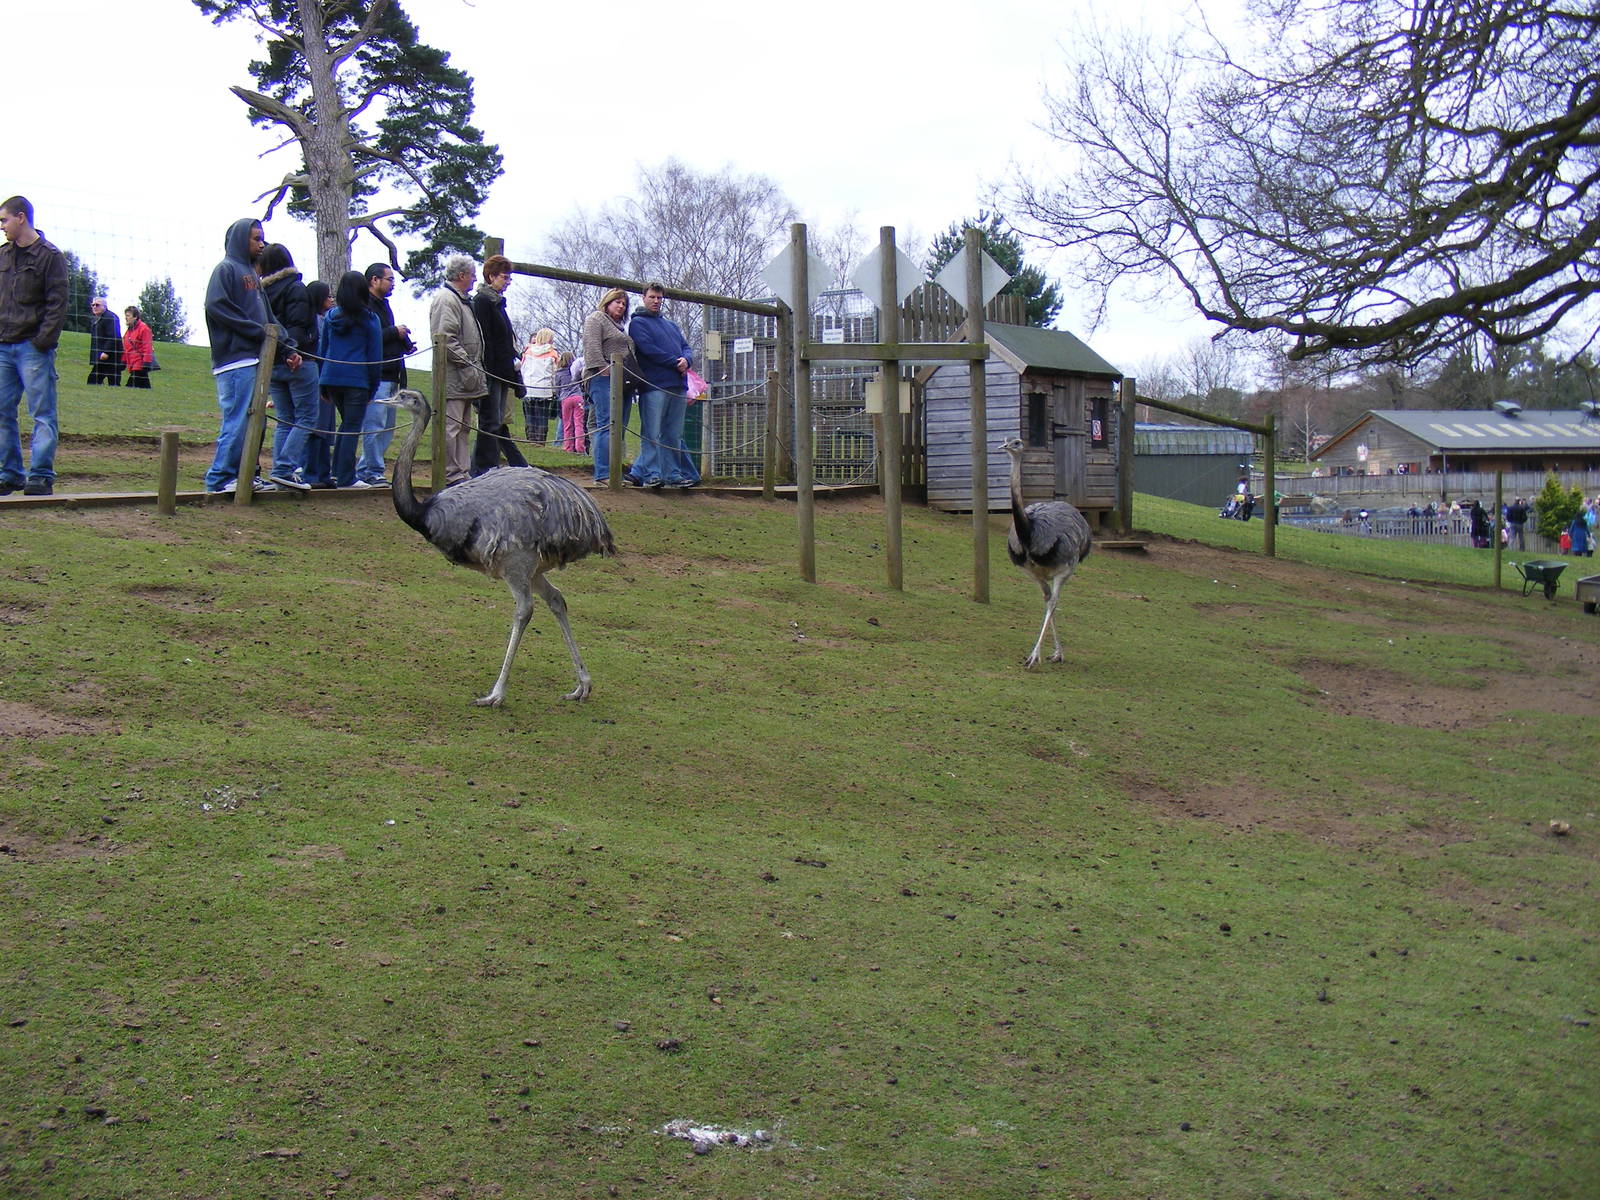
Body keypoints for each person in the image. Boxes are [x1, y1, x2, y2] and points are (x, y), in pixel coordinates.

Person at [203, 217, 294, 494]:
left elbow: (269, 318)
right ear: (241, 239)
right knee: (238, 419)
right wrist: (257, 332)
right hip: (234, 360)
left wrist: (287, 346)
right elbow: (216, 306)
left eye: (262, 238)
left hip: (257, 360)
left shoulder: (254, 275)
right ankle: (219, 479)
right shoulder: (226, 269)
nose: (261, 244)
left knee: (256, 420)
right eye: (256, 238)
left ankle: (244, 476)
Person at [0, 195, 69, 497]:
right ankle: (10, 474)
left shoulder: (50, 256)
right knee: (2, 411)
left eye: (4, 220)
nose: (2, 227)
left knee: (42, 413)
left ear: (20, 217)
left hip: (33, 347)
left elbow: (58, 302)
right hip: (3, 345)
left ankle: (41, 475)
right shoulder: (3, 255)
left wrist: (43, 341)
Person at [258, 244, 320, 489]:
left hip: (272, 361)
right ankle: (284, 468)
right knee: (306, 417)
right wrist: (293, 351)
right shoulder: (296, 289)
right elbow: (298, 324)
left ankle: (280, 469)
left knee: (285, 419)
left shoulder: (262, 294)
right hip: (298, 360)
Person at [627, 281, 699, 488]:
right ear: (644, 298)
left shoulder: (671, 325)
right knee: (652, 432)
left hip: (677, 386)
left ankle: (673, 474)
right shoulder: (638, 323)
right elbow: (648, 349)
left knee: (673, 434)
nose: (656, 301)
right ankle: (651, 474)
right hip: (654, 386)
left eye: (659, 298)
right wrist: (674, 362)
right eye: (652, 297)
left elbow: (686, 347)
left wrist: (687, 360)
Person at [317, 270, 382, 489]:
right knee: (352, 426)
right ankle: (345, 477)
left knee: (345, 424)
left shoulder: (330, 316)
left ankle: (338, 472)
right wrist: (373, 387)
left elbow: (322, 349)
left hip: (331, 378)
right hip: (357, 380)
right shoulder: (370, 319)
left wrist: (322, 382)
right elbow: (374, 355)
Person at [428, 254, 485, 486]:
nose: (474, 280)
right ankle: (450, 473)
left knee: (463, 427)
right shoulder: (446, 299)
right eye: (472, 275)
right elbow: (446, 338)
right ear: (461, 275)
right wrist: (466, 363)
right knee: (451, 427)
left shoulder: (461, 300)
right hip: (453, 376)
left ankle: (461, 472)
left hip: (466, 377)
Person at [355, 261, 414, 487]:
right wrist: (393, 332)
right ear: (374, 280)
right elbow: (368, 338)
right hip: (377, 374)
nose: (392, 284)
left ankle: (366, 468)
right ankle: (373, 470)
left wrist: (403, 342)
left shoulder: (384, 305)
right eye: (389, 279)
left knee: (387, 427)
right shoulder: (365, 306)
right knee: (374, 424)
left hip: (392, 373)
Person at [469, 254, 529, 474]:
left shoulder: (497, 302)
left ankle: (484, 465)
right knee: (490, 420)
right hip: (492, 371)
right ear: (491, 276)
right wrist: (491, 370)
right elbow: (486, 339)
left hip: (503, 371)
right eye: (504, 277)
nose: (507, 282)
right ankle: (483, 468)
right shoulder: (483, 302)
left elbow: (503, 338)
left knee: (496, 420)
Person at [580, 288, 635, 485]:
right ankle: (603, 474)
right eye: (617, 302)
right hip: (602, 377)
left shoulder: (620, 327)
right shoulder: (597, 319)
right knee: (606, 424)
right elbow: (591, 345)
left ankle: (614, 473)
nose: (621, 305)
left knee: (618, 427)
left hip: (624, 380)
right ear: (607, 302)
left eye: (624, 303)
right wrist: (602, 368)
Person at [303, 280, 336, 487]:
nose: (331, 300)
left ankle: (324, 473)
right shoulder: (316, 322)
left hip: (326, 377)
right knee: (317, 427)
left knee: (326, 428)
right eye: (327, 296)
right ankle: (312, 473)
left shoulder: (325, 319)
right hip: (318, 377)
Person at [519, 327, 559, 444]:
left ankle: (531, 441)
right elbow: (553, 374)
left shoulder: (528, 351)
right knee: (542, 419)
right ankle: (540, 442)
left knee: (529, 418)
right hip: (544, 390)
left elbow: (523, 369)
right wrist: (555, 390)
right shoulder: (552, 353)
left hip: (529, 388)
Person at [87, 297, 122, 386]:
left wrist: (106, 352)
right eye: (93, 305)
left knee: (113, 382)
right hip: (102, 357)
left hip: (111, 357)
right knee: (93, 380)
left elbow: (114, 336)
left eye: (97, 305)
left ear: (104, 307)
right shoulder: (98, 318)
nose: (94, 307)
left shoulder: (110, 317)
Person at [556, 350, 585, 453]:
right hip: (578, 397)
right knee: (579, 424)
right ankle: (580, 447)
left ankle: (568, 447)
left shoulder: (559, 373)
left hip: (566, 399)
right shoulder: (576, 370)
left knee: (567, 424)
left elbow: (557, 388)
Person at [122, 305, 153, 389]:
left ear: (135, 317)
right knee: (145, 388)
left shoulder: (144, 329)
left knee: (129, 387)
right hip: (133, 364)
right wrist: (123, 361)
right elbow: (126, 348)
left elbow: (147, 346)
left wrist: (146, 362)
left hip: (139, 364)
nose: (126, 318)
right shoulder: (128, 331)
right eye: (126, 316)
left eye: (128, 316)